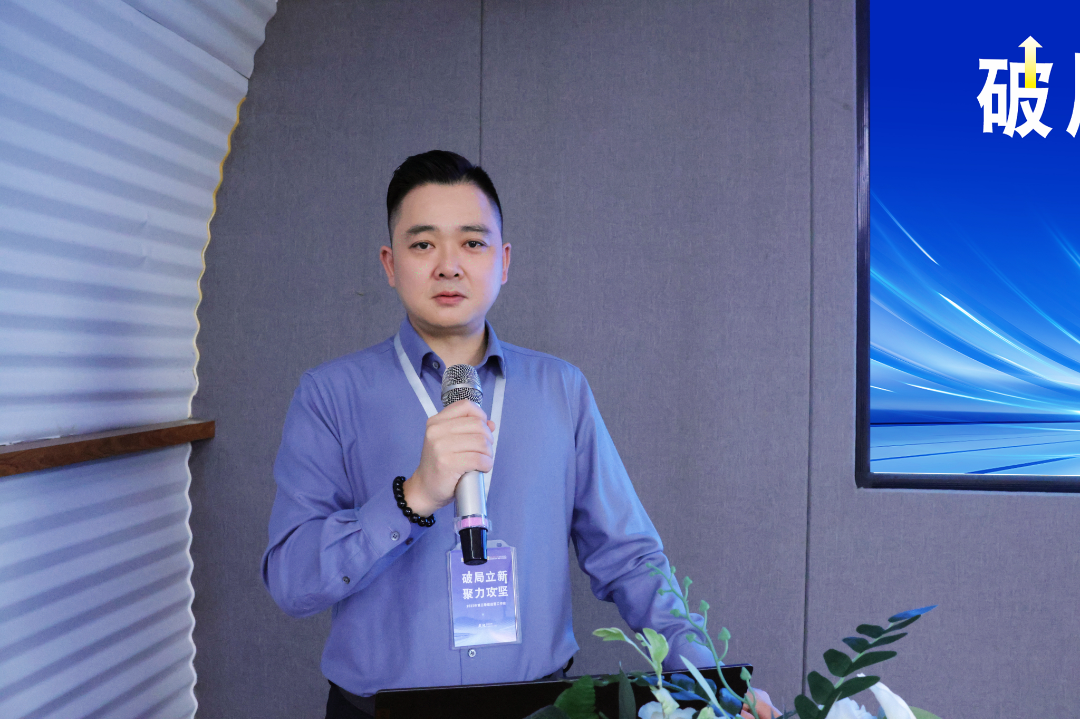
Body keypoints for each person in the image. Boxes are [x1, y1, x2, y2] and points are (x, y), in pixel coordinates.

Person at [261, 151, 775, 719]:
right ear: (390, 263)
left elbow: (630, 559)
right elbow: (292, 581)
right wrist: (414, 497)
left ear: (503, 261)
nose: (448, 266)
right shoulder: (330, 395)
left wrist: (713, 683)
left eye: (472, 243)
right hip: (376, 712)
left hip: (539, 709)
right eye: (423, 244)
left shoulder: (561, 389)